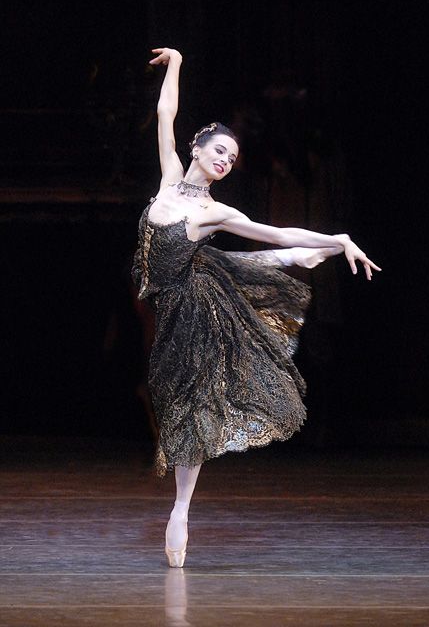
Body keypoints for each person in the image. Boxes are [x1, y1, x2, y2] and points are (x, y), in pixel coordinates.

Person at [131, 47, 381, 568]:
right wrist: (177, 62)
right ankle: (297, 259)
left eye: (232, 159)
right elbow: (165, 114)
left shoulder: (214, 209)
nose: (225, 161)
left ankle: (181, 510)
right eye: (219, 151)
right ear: (197, 148)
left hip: (192, 306)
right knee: (232, 266)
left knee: (193, 404)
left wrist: (337, 237)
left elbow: (273, 227)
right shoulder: (168, 176)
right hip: (181, 286)